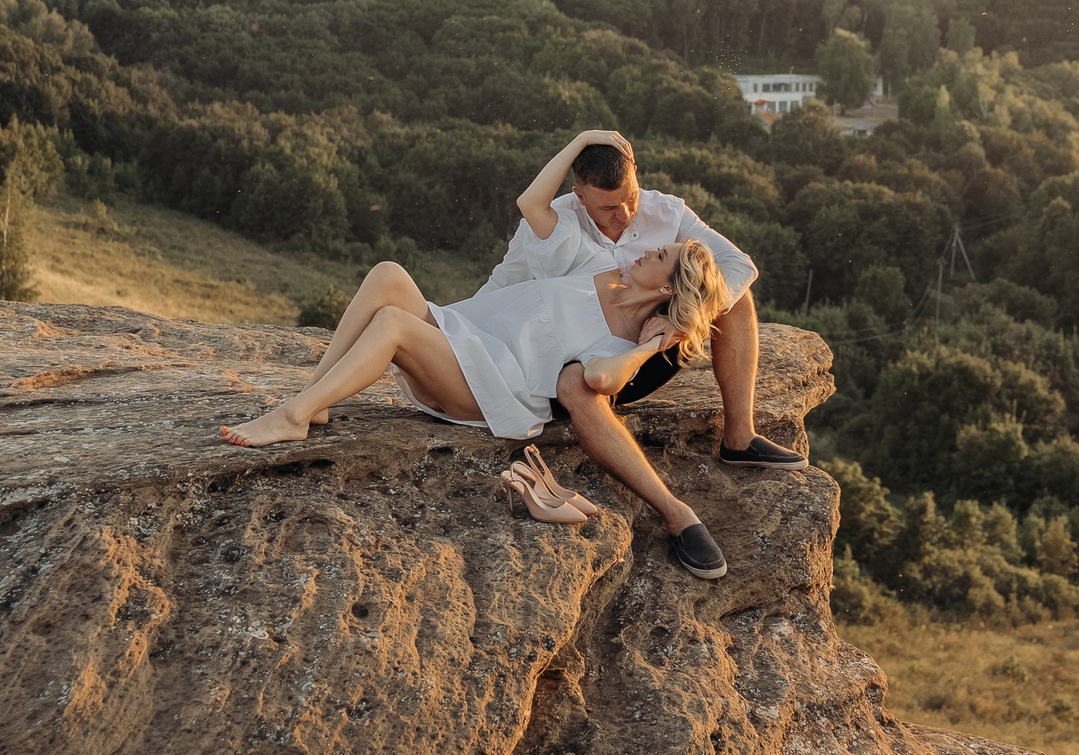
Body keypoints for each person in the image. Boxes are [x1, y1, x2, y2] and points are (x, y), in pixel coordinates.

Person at [216, 135, 739, 578]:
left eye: (661, 255)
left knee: (394, 325)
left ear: (669, 290)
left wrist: (653, 344)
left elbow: (600, 379)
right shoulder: (596, 260)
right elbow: (531, 204)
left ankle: (294, 415)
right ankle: (317, 396)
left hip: (486, 385)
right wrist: (582, 144)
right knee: (388, 274)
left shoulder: (626, 338)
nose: (647, 246)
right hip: (466, 340)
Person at [483, 128, 803, 473]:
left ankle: (739, 439)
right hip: (579, 366)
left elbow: (739, 264)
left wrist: (681, 321)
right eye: (608, 207)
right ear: (580, 196)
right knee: (577, 382)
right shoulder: (552, 221)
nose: (623, 214)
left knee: (734, 299)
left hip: (647, 351)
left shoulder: (667, 211)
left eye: (630, 199)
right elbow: (503, 285)